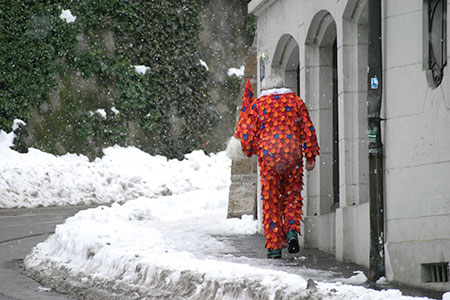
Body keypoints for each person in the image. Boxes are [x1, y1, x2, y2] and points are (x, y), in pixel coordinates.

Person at [226, 74, 319, 259]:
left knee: (271, 201)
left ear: (264, 89)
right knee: (292, 196)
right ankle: (292, 231)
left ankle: (274, 247)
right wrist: (310, 156)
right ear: (282, 86)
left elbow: (247, 134)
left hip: (269, 158)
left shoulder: (258, 106)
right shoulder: (296, 101)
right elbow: (308, 129)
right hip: (292, 155)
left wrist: (246, 148)